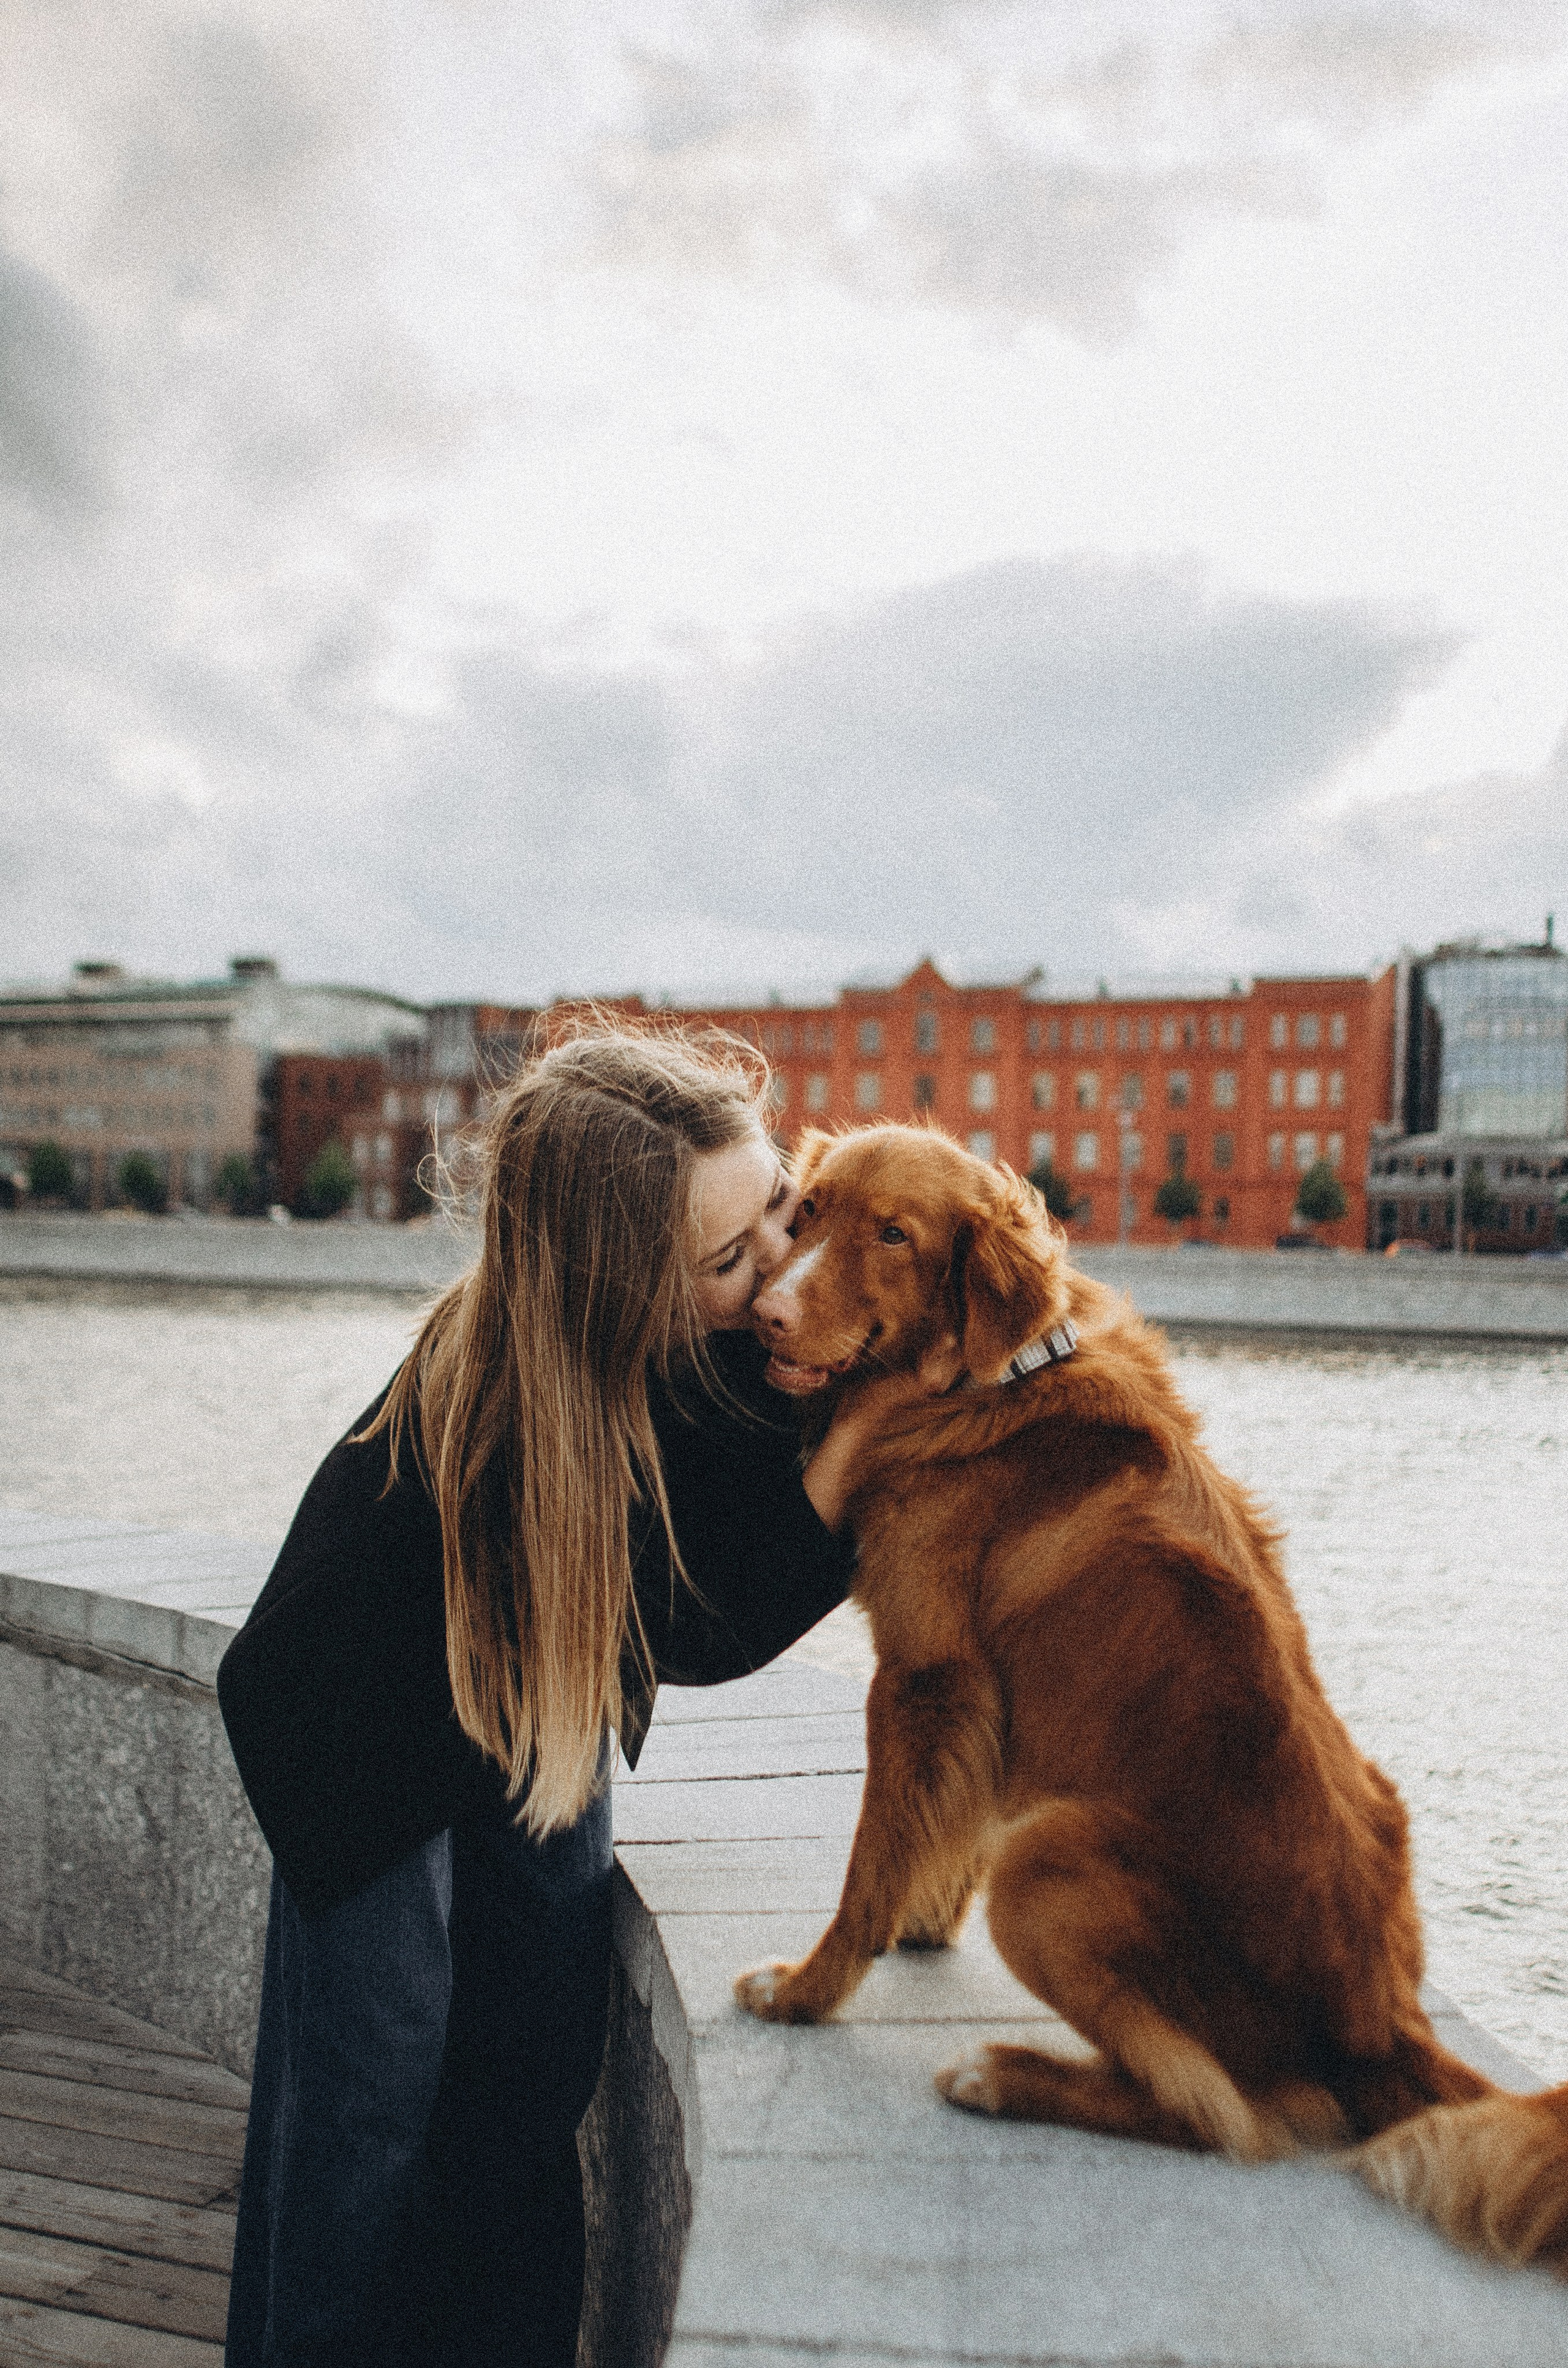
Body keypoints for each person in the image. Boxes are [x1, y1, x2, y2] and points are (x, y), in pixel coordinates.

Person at [217, 1027, 885, 2367]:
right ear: (616, 1288)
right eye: (727, 1261)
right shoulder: (528, 1415)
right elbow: (702, 1622)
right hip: (365, 1763)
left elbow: (719, 1510)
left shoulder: (672, 1333)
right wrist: (864, 1451)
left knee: (529, 2080)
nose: (774, 1279)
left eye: (778, 1210)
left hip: (530, 1714)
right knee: (369, 2128)